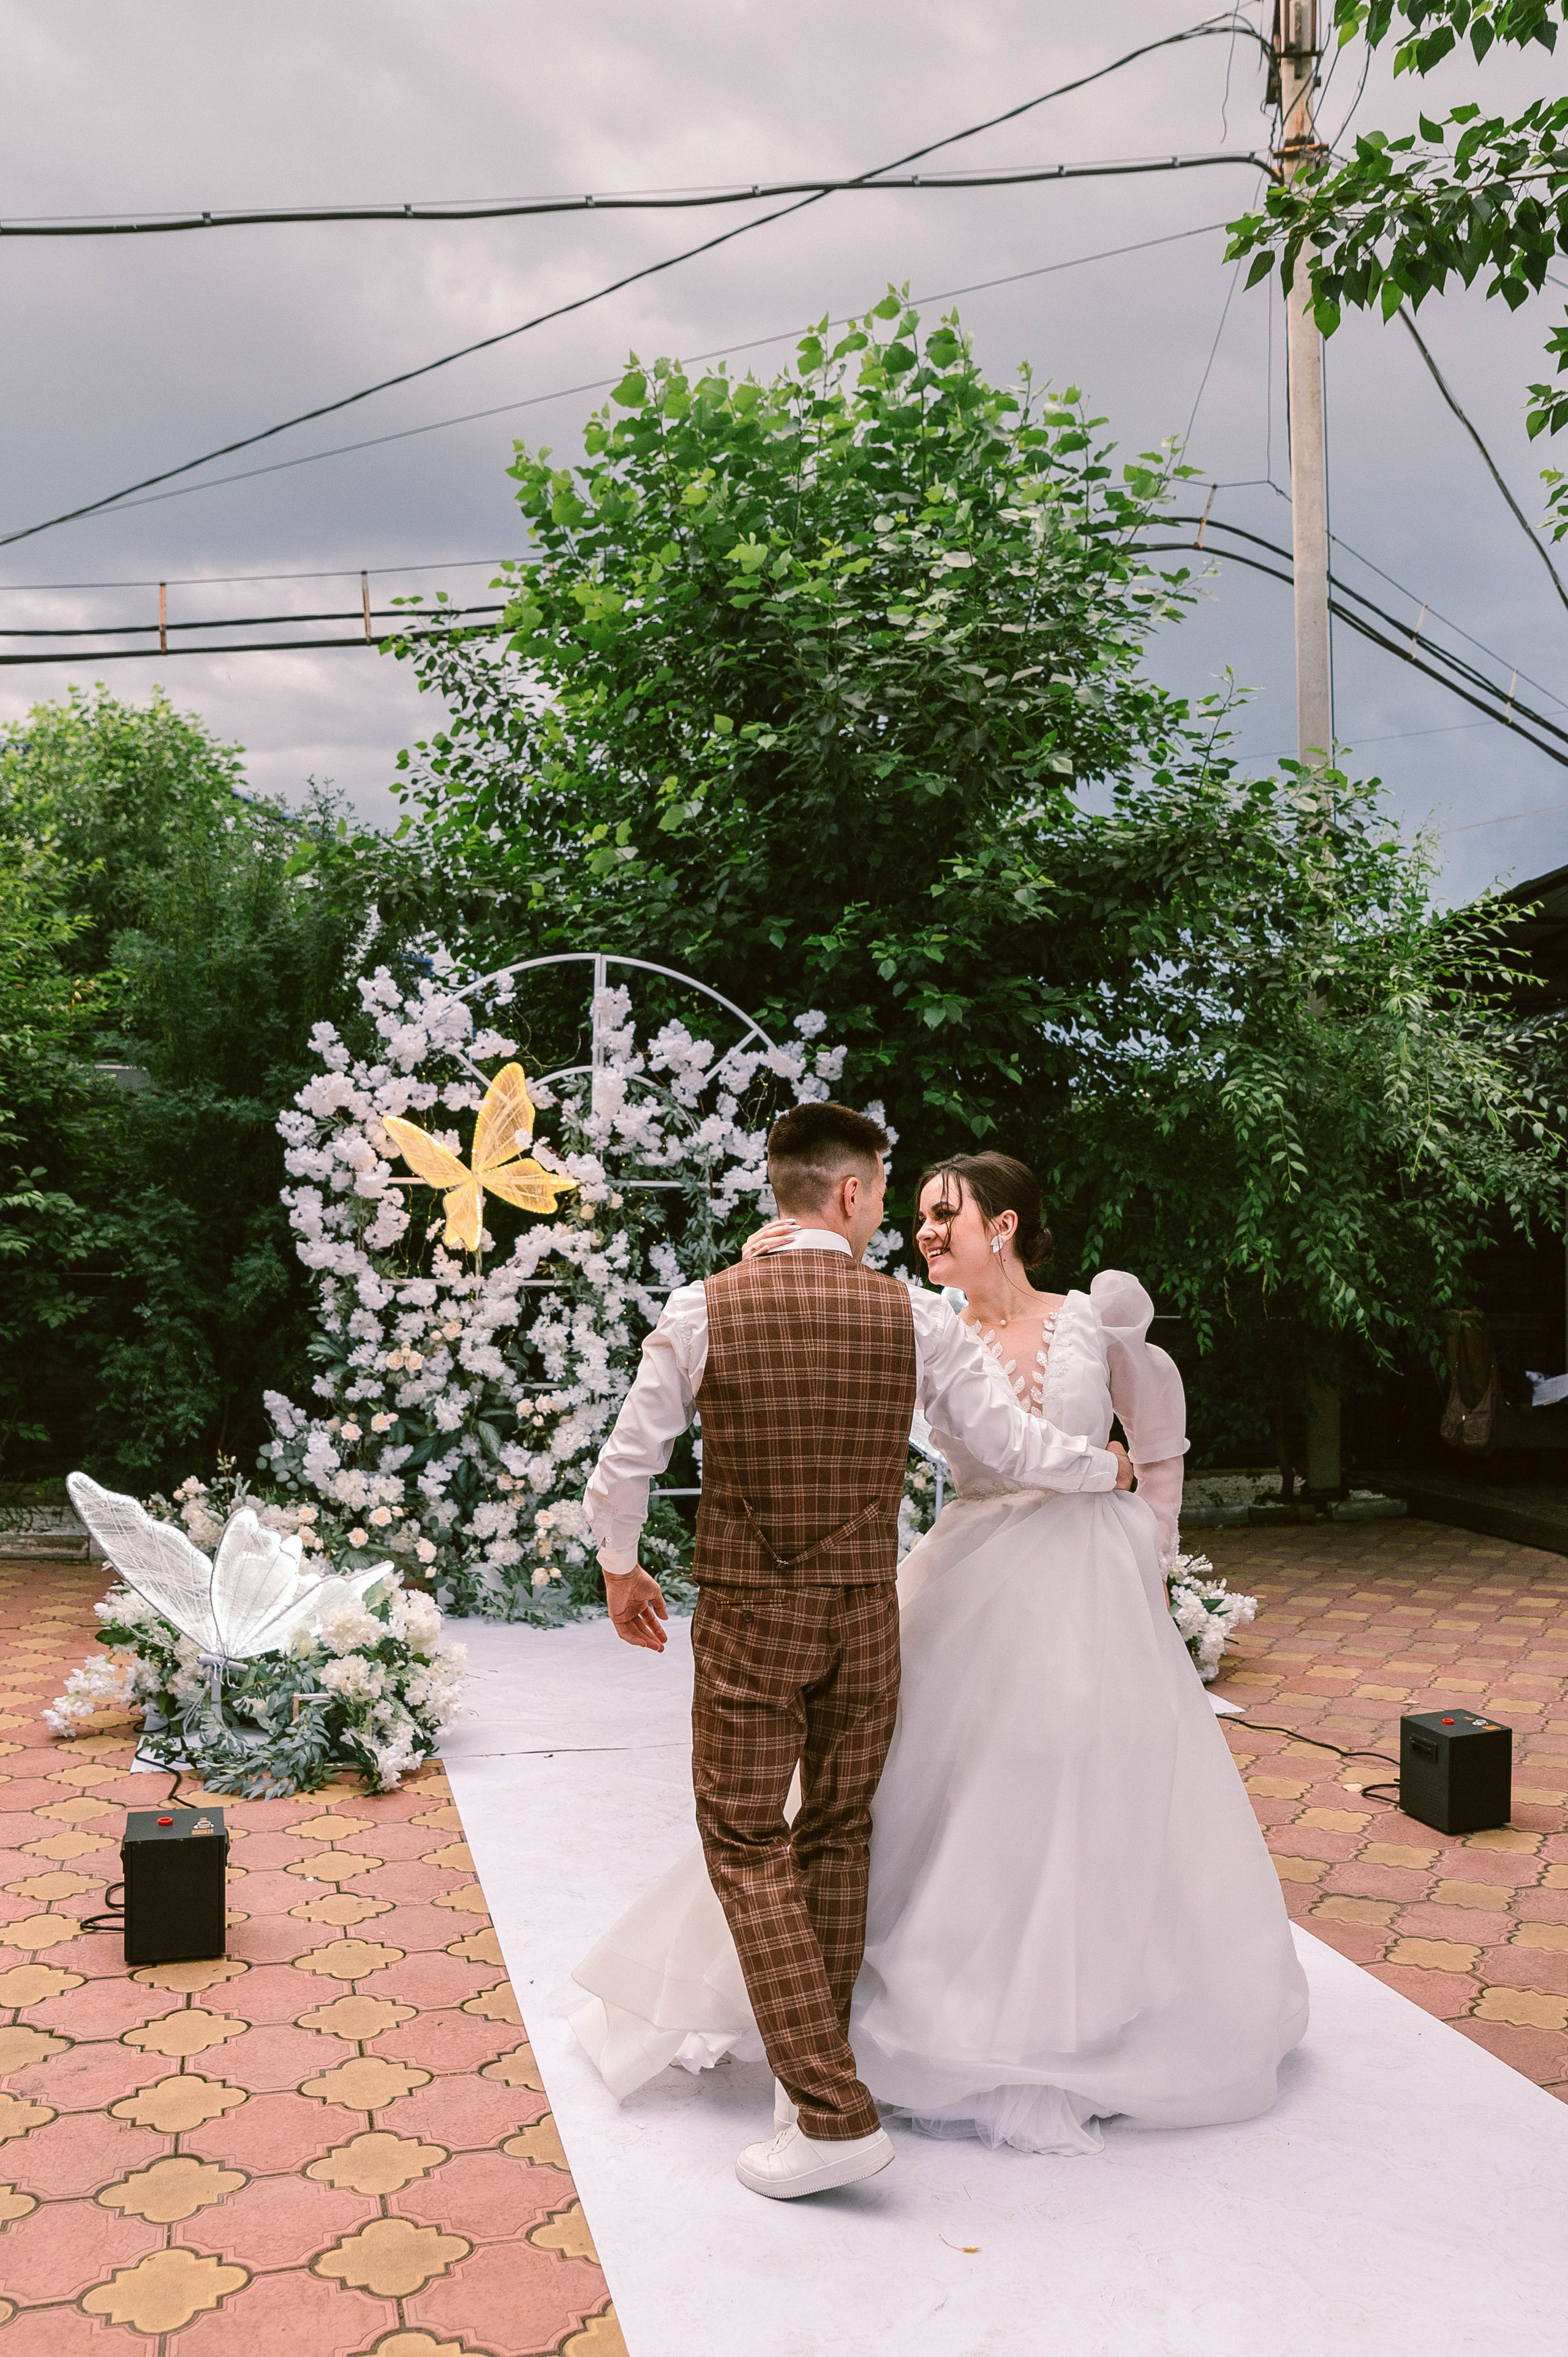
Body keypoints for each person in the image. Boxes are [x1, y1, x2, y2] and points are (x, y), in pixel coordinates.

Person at [576, 1146, 1310, 2168]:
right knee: (864, 1816)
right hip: (939, 1583)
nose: (918, 1227)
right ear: (851, 1197)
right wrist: (1101, 1468)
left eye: (941, 1212)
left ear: (1000, 1225)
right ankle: (830, 2060)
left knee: (1036, 1789)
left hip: (1065, 1584)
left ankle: (841, 2081)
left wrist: (1149, 1527)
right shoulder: (920, 1320)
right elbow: (1006, 1449)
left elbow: (1143, 1428)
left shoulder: (1061, 1316)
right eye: (903, 1204)